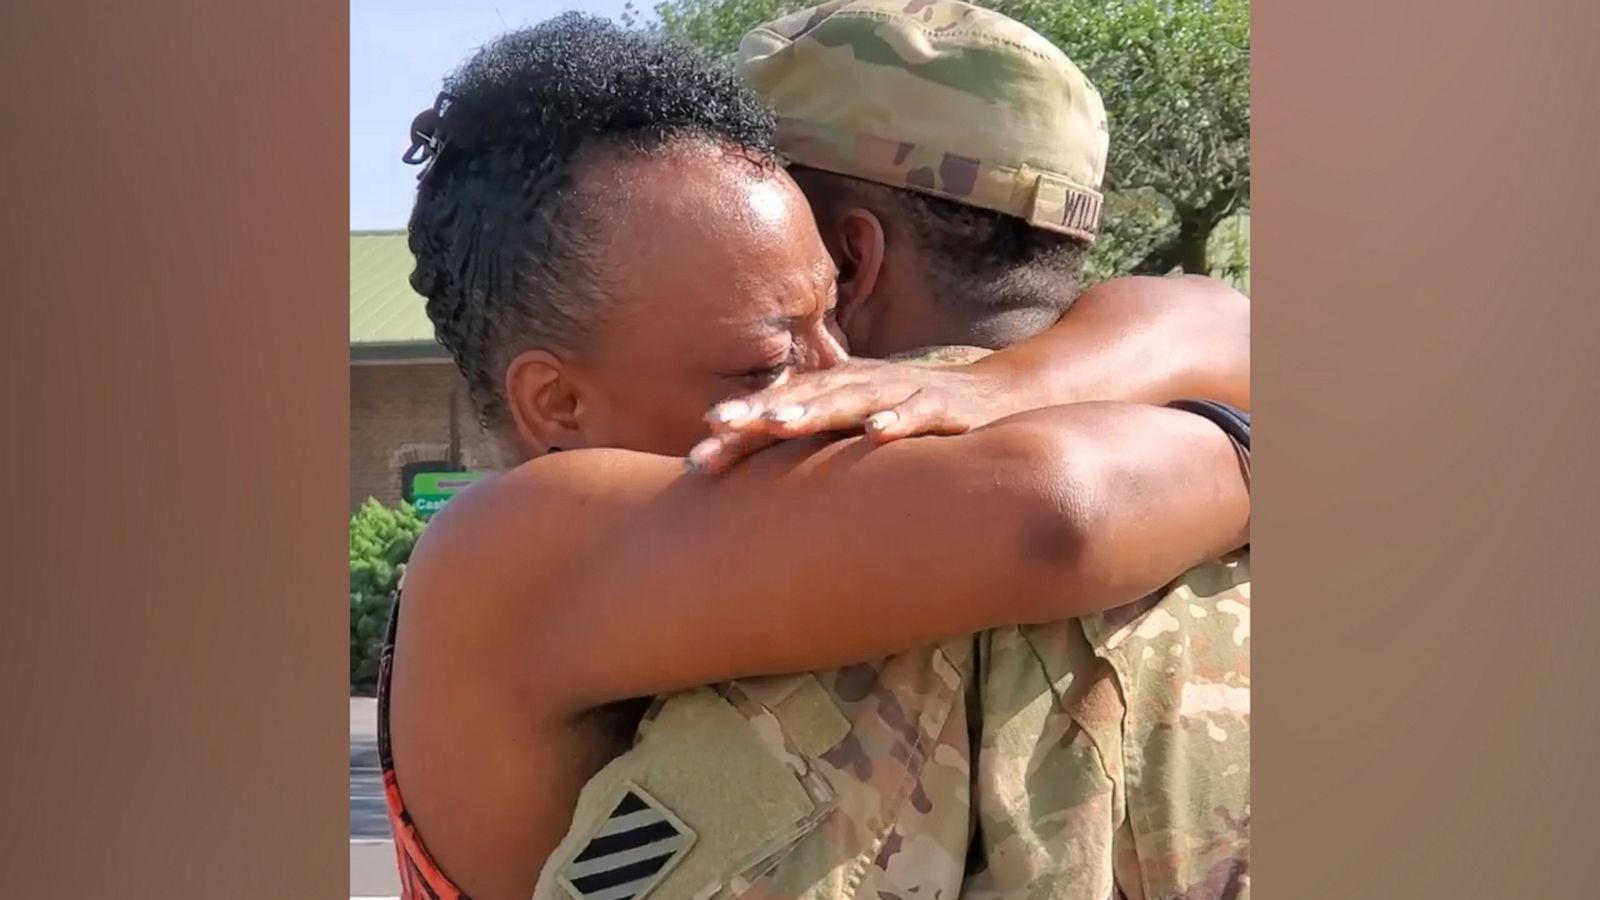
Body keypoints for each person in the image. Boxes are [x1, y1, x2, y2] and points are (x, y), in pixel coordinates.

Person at [380, 14, 1249, 900]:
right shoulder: (507, 551)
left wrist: (1009, 386)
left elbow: (1210, 318)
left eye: (832, 316)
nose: (838, 376)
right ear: (556, 403)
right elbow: (1054, 512)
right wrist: (1251, 449)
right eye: (763, 363)